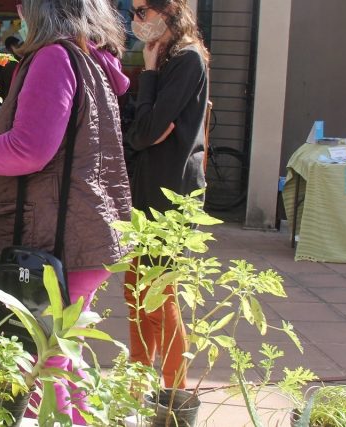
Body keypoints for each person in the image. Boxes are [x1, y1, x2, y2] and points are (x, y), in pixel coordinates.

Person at [0, 0, 131, 419]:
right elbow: (59, 139)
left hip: (58, 238)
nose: (19, 9)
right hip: (84, 232)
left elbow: (30, 151)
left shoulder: (54, 57)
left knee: (45, 364)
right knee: (61, 359)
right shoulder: (90, 57)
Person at [122, 0, 211, 390]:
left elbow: (144, 132)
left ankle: (174, 391)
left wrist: (152, 72)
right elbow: (142, 130)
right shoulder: (170, 58)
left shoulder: (186, 61)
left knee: (160, 293)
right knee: (136, 292)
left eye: (142, 11)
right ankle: (138, 382)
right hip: (151, 190)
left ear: (168, 12)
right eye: (134, 11)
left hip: (173, 195)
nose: (135, 19)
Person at [0, 36, 23, 126]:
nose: (21, 49)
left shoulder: (6, 60)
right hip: (2, 100)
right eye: (18, 46)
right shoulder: (10, 63)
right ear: (12, 47)